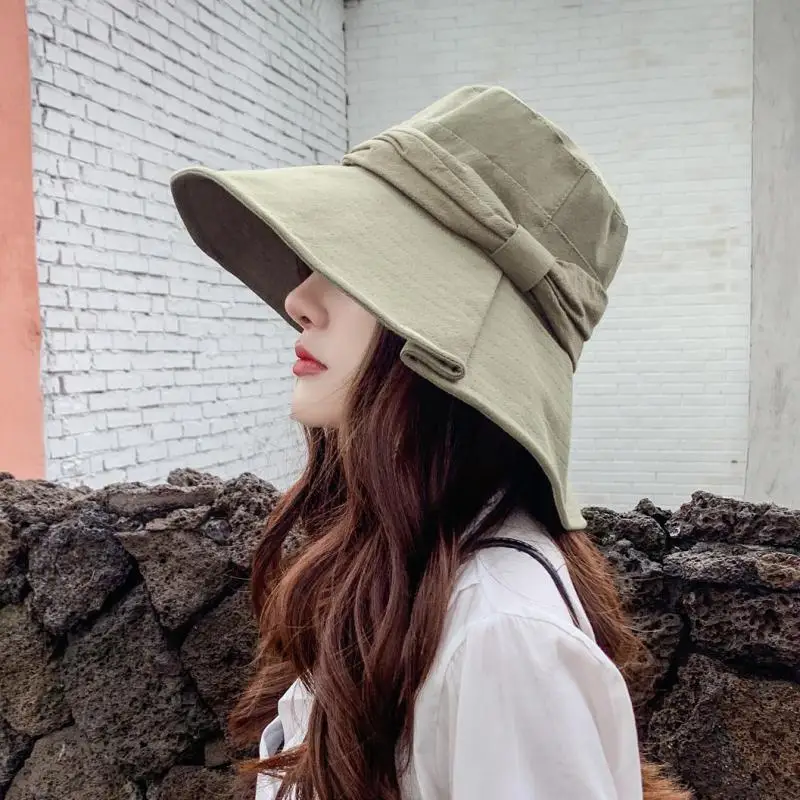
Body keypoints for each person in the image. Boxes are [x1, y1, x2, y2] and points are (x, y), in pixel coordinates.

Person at [171, 86, 691, 800]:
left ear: (450, 338)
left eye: (358, 266)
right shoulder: (410, 582)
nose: (299, 300)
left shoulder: (499, 638)